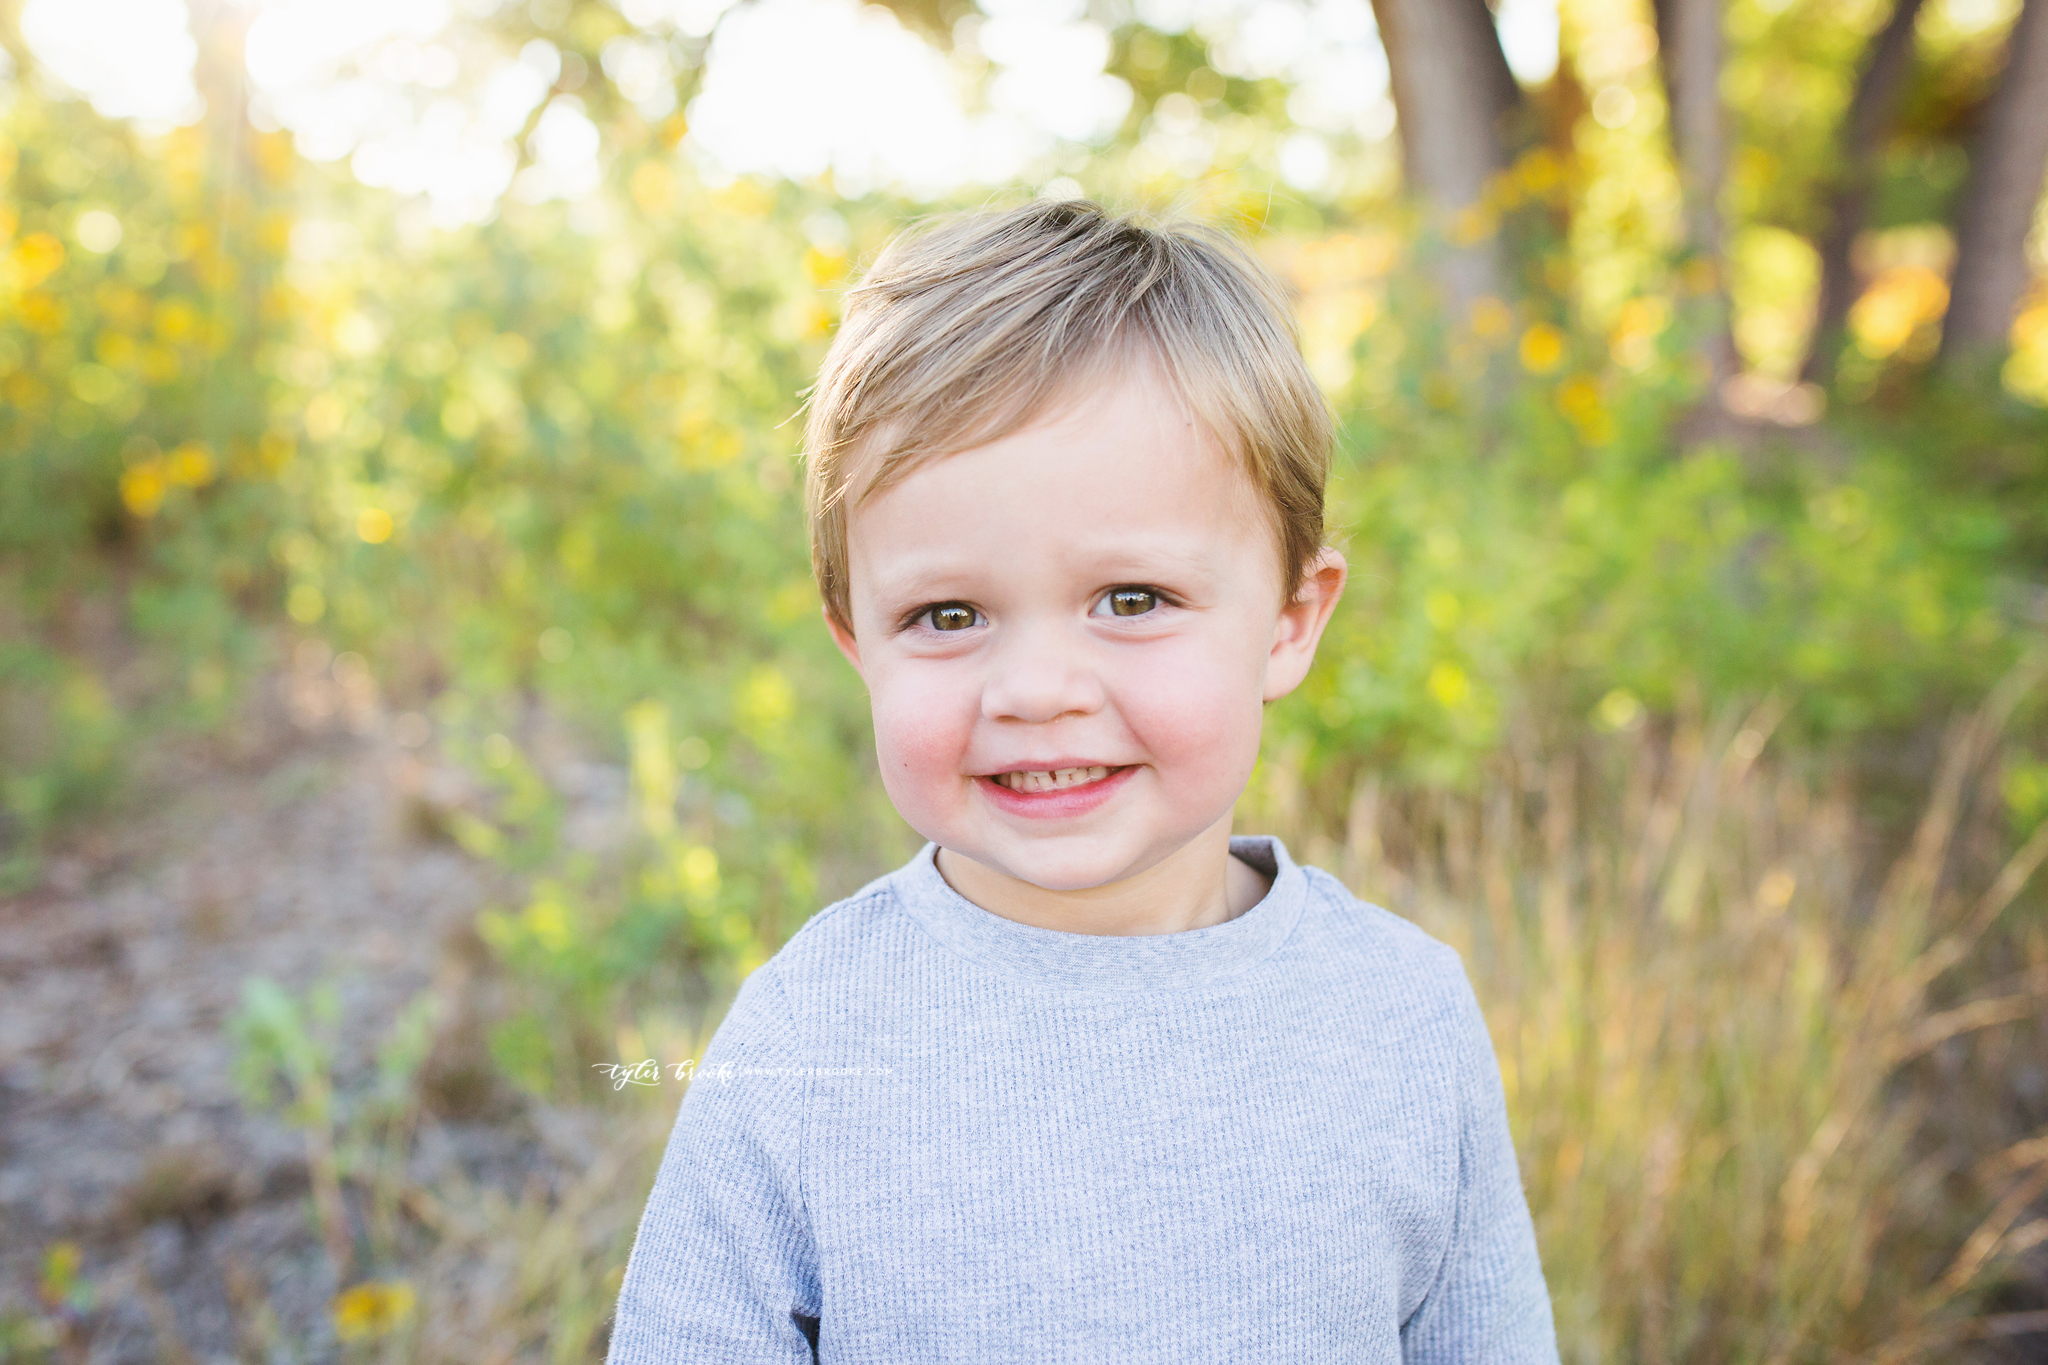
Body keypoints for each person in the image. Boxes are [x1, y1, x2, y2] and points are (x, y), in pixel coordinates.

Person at [606, 199, 1558, 1364]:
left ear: (1286, 623)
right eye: (946, 615)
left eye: (1132, 599)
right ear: (857, 642)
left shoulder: (1403, 1015)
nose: (1037, 688)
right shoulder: (806, 1038)